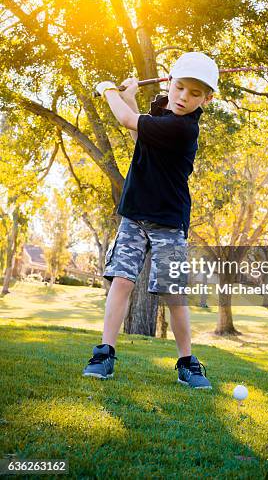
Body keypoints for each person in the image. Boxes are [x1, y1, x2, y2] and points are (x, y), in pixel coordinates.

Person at [82, 52, 218, 389]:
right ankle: (105, 352)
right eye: (180, 87)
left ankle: (187, 361)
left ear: (207, 99)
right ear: (169, 83)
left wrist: (109, 91)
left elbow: (129, 122)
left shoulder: (183, 127)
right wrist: (128, 96)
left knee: (173, 294)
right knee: (122, 281)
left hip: (168, 222)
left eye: (195, 93)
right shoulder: (163, 116)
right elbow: (141, 138)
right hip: (135, 214)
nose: (184, 97)